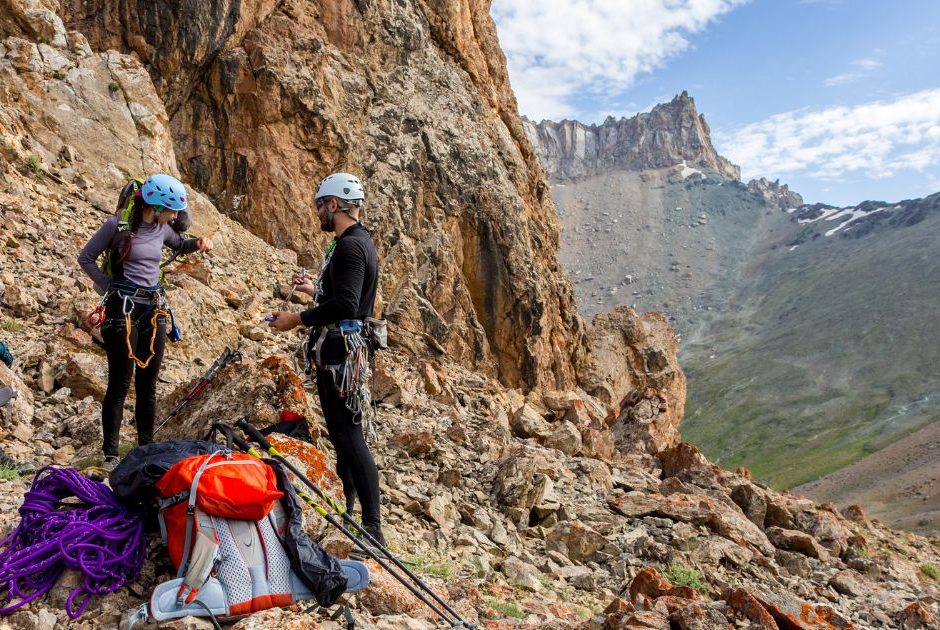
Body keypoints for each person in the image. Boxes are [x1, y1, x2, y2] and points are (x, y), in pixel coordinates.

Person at [267, 172, 384, 544]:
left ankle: (373, 529)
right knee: (342, 435)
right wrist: (313, 288)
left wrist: (296, 319)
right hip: (343, 350)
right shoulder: (353, 242)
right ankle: (348, 513)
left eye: (320, 205)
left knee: (349, 437)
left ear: (333, 204)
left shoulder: (350, 247)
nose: (317, 212)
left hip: (341, 353)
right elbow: (342, 295)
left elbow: (347, 303)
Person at [78, 174, 213, 469]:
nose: (176, 216)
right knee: (119, 383)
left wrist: (199, 243)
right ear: (156, 205)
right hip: (122, 310)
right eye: (172, 210)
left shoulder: (163, 229)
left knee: (148, 385)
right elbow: (86, 257)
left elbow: (180, 244)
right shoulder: (118, 226)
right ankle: (111, 455)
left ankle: (146, 450)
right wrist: (107, 286)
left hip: (153, 309)